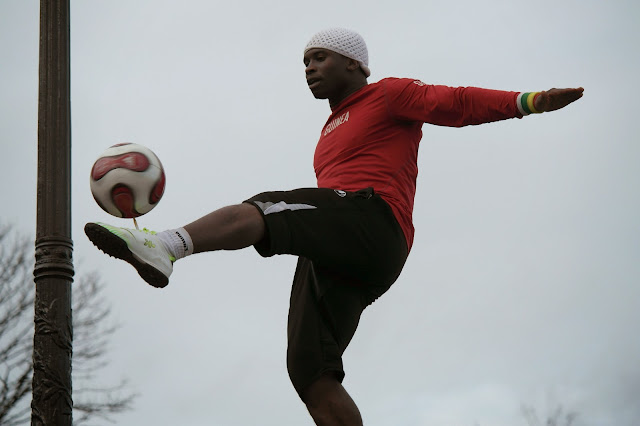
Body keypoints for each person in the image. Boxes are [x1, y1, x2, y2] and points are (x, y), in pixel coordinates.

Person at [85, 27, 584, 426]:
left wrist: (529, 101)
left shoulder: (388, 94)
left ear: (355, 64)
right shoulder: (326, 133)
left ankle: (166, 245)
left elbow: (455, 102)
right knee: (309, 372)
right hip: (346, 252)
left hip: (374, 219)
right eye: (304, 62)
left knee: (265, 208)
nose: (309, 69)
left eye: (319, 58)